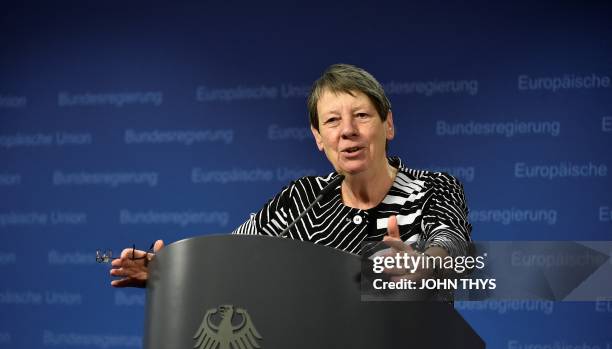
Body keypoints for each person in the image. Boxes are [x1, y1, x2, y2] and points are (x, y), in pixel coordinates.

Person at [110, 63, 471, 288]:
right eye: (332, 121)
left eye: (361, 115)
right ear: (318, 138)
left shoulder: (434, 188)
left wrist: (425, 263)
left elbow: (450, 242)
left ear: (387, 124)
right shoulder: (301, 200)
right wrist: (171, 272)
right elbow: (232, 256)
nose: (347, 131)